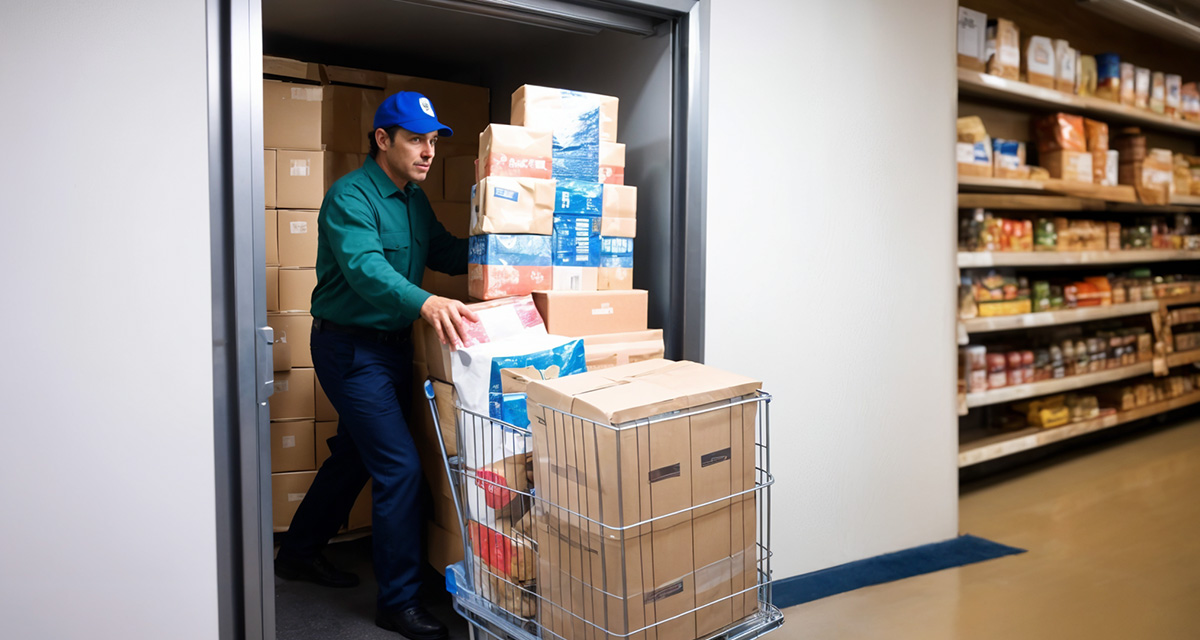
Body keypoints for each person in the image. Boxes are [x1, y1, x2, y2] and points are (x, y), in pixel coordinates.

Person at [274, 91, 478, 640]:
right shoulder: (351, 197)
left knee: (354, 458)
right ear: (382, 139)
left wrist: (508, 241)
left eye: (433, 141)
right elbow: (366, 269)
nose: (428, 152)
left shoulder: (413, 201)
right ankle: (398, 602)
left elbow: (447, 253)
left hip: (389, 347)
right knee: (400, 468)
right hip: (349, 349)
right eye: (416, 139)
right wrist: (426, 303)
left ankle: (297, 553)